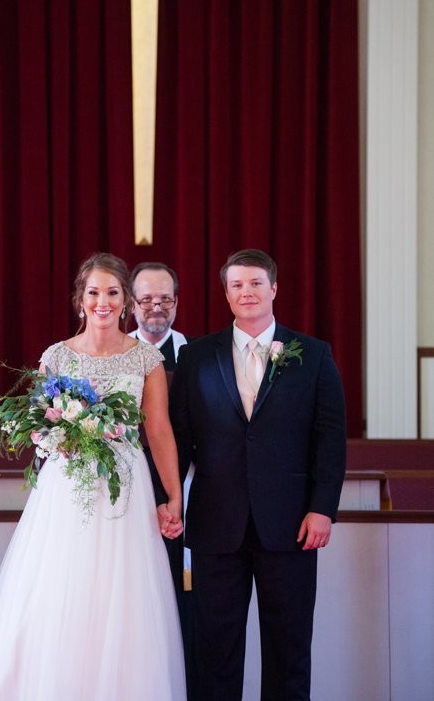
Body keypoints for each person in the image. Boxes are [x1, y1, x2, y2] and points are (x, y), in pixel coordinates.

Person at [0, 253, 187, 700]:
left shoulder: (146, 359)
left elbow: (159, 430)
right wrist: (57, 437)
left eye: (113, 292)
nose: (103, 302)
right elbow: (39, 426)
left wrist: (173, 494)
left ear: (126, 301)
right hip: (68, 487)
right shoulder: (57, 356)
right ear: (80, 299)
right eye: (94, 292)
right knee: (57, 587)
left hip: (125, 488)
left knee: (123, 595)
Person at [169, 249, 346, 701]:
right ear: (226, 294)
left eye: (255, 283)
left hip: (291, 525)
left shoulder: (314, 355)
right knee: (214, 651)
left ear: (274, 289)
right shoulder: (196, 356)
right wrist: (169, 498)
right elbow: (180, 438)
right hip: (215, 524)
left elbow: (329, 439)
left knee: (289, 650)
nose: (246, 292)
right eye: (237, 285)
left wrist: (322, 509)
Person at [130, 261, 196, 698]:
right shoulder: (114, 353)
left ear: (176, 302)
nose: (157, 307)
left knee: (175, 597)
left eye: (165, 298)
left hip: (182, 493)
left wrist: (178, 493)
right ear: (132, 304)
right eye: (147, 299)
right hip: (126, 493)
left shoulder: (196, 355)